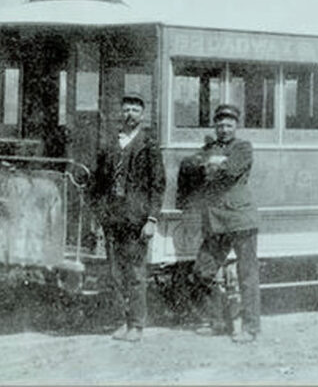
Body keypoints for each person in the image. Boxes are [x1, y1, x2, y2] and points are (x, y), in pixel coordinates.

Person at [179, 103, 260, 344]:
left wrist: (209, 164)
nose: (224, 129)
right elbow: (188, 166)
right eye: (220, 124)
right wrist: (210, 163)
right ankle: (217, 321)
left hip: (240, 219)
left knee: (247, 276)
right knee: (202, 271)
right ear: (215, 126)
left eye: (229, 125)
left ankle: (251, 328)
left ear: (236, 126)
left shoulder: (244, 147)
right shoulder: (210, 148)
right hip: (215, 222)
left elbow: (229, 172)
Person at [92, 91, 166, 342]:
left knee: (135, 273)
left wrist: (152, 220)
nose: (129, 114)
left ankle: (137, 325)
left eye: (135, 109)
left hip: (137, 219)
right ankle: (124, 321)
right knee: (116, 273)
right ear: (120, 113)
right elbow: (99, 182)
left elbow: (158, 185)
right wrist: (99, 213)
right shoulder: (112, 143)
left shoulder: (149, 145)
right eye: (126, 109)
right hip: (113, 218)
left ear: (142, 115)